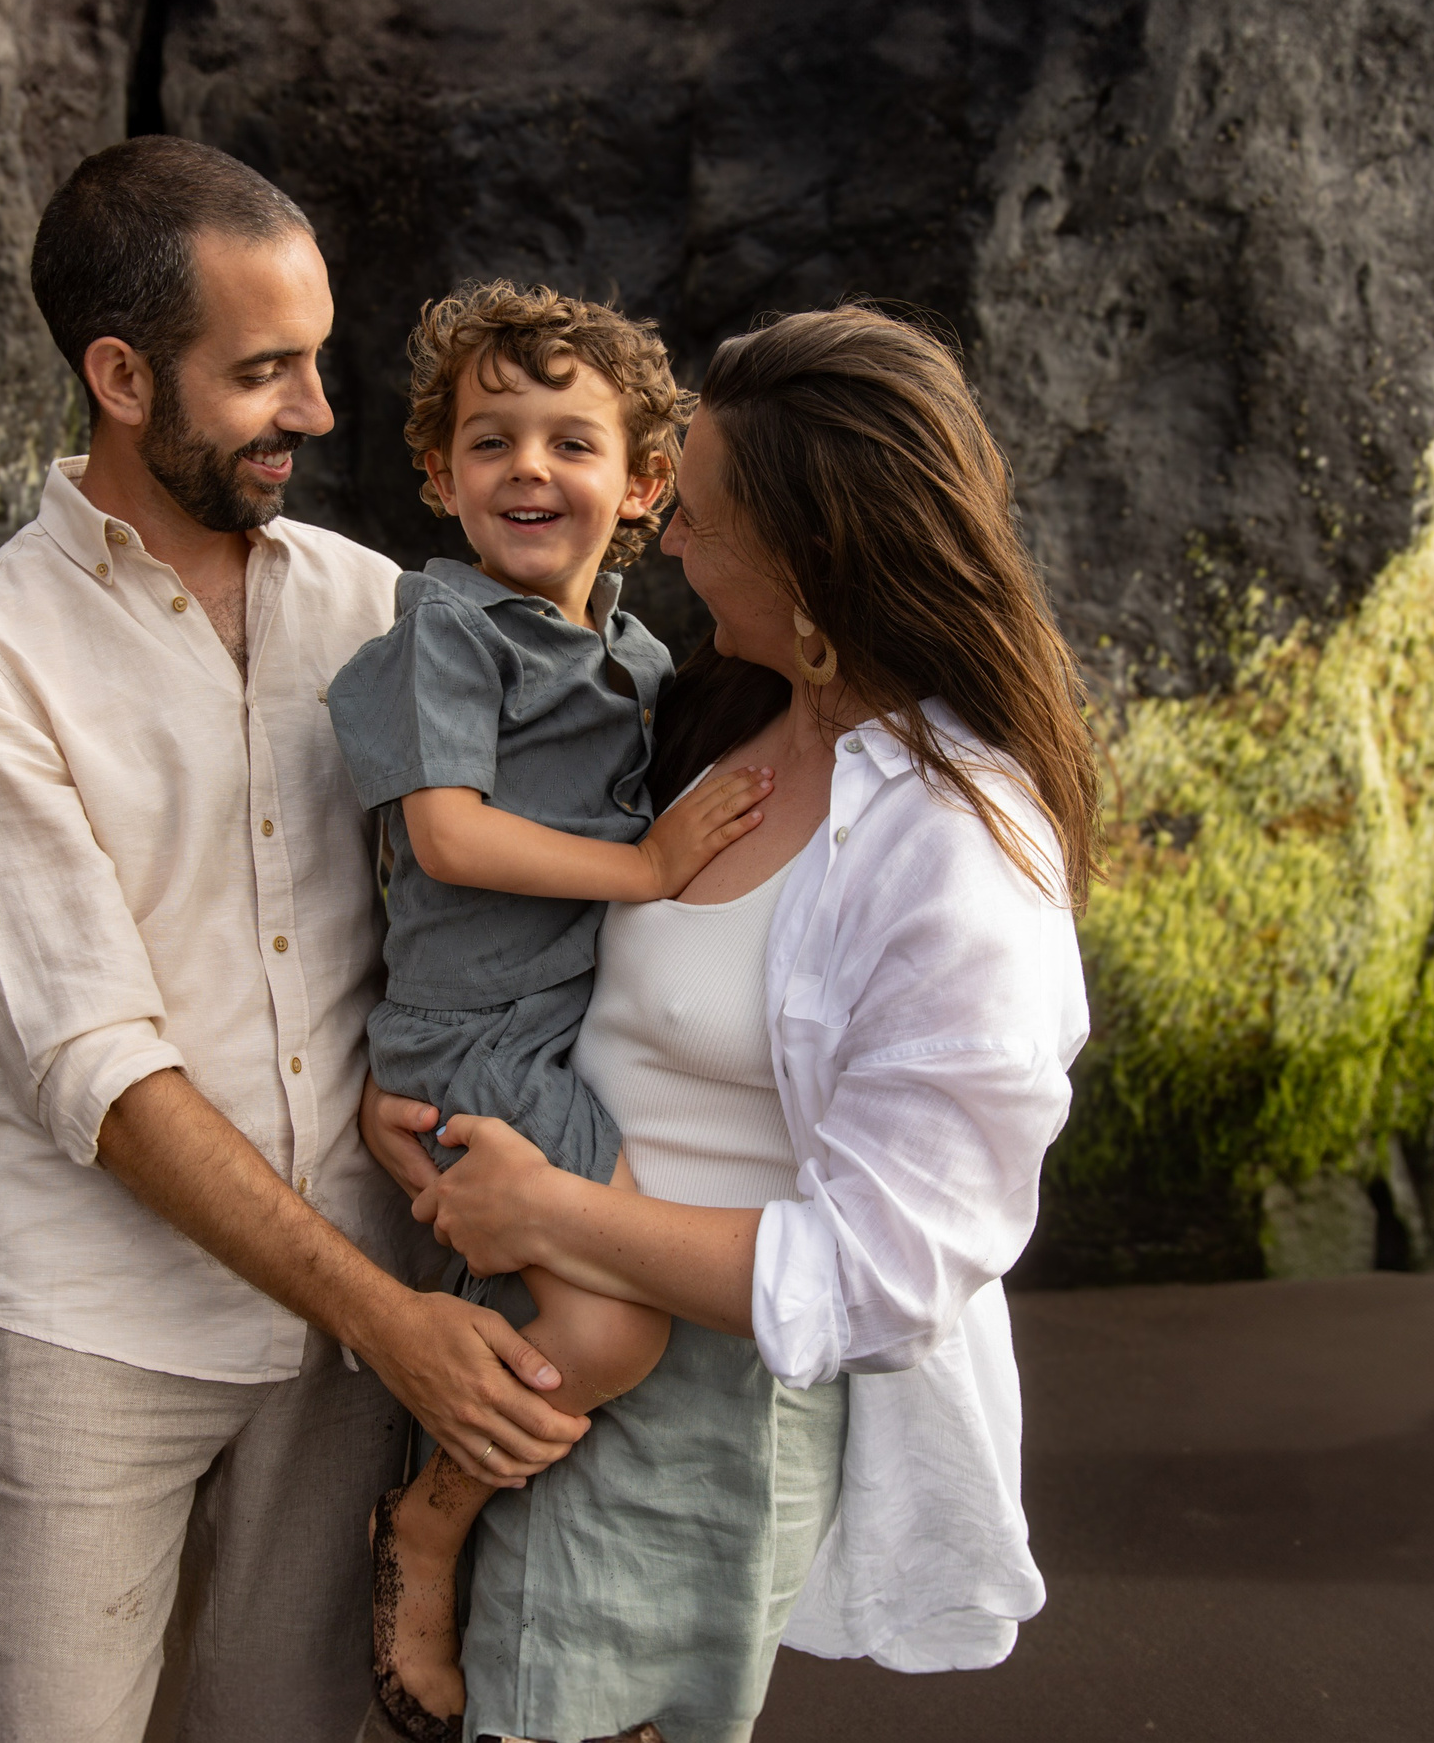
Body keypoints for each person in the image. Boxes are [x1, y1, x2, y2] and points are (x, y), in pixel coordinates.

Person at [0, 136, 591, 1743]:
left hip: (361, 1330)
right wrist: (391, 1319)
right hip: (96, 1320)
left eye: (320, 361)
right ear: (124, 374)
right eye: (264, 372)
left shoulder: (376, 609)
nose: (319, 414)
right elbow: (96, 1066)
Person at [363, 305, 1098, 1743]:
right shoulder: (700, 718)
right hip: (528, 1313)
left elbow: (893, 1269)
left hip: (697, 1402)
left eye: (694, 515)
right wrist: (430, 1132)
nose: (668, 545)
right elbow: (539, 961)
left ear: (808, 558)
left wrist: (553, 1215)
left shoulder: (959, 850)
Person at [324, 282, 774, 1740]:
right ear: (440, 476)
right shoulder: (445, 625)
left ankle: (548, 1618)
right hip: (471, 1041)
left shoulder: (641, 665)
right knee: (614, 1334)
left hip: (557, 1041)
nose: (529, 469)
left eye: (571, 443)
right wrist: (645, 866)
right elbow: (446, 835)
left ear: (645, 486)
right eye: (490, 440)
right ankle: (431, 1524)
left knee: (585, 1322)